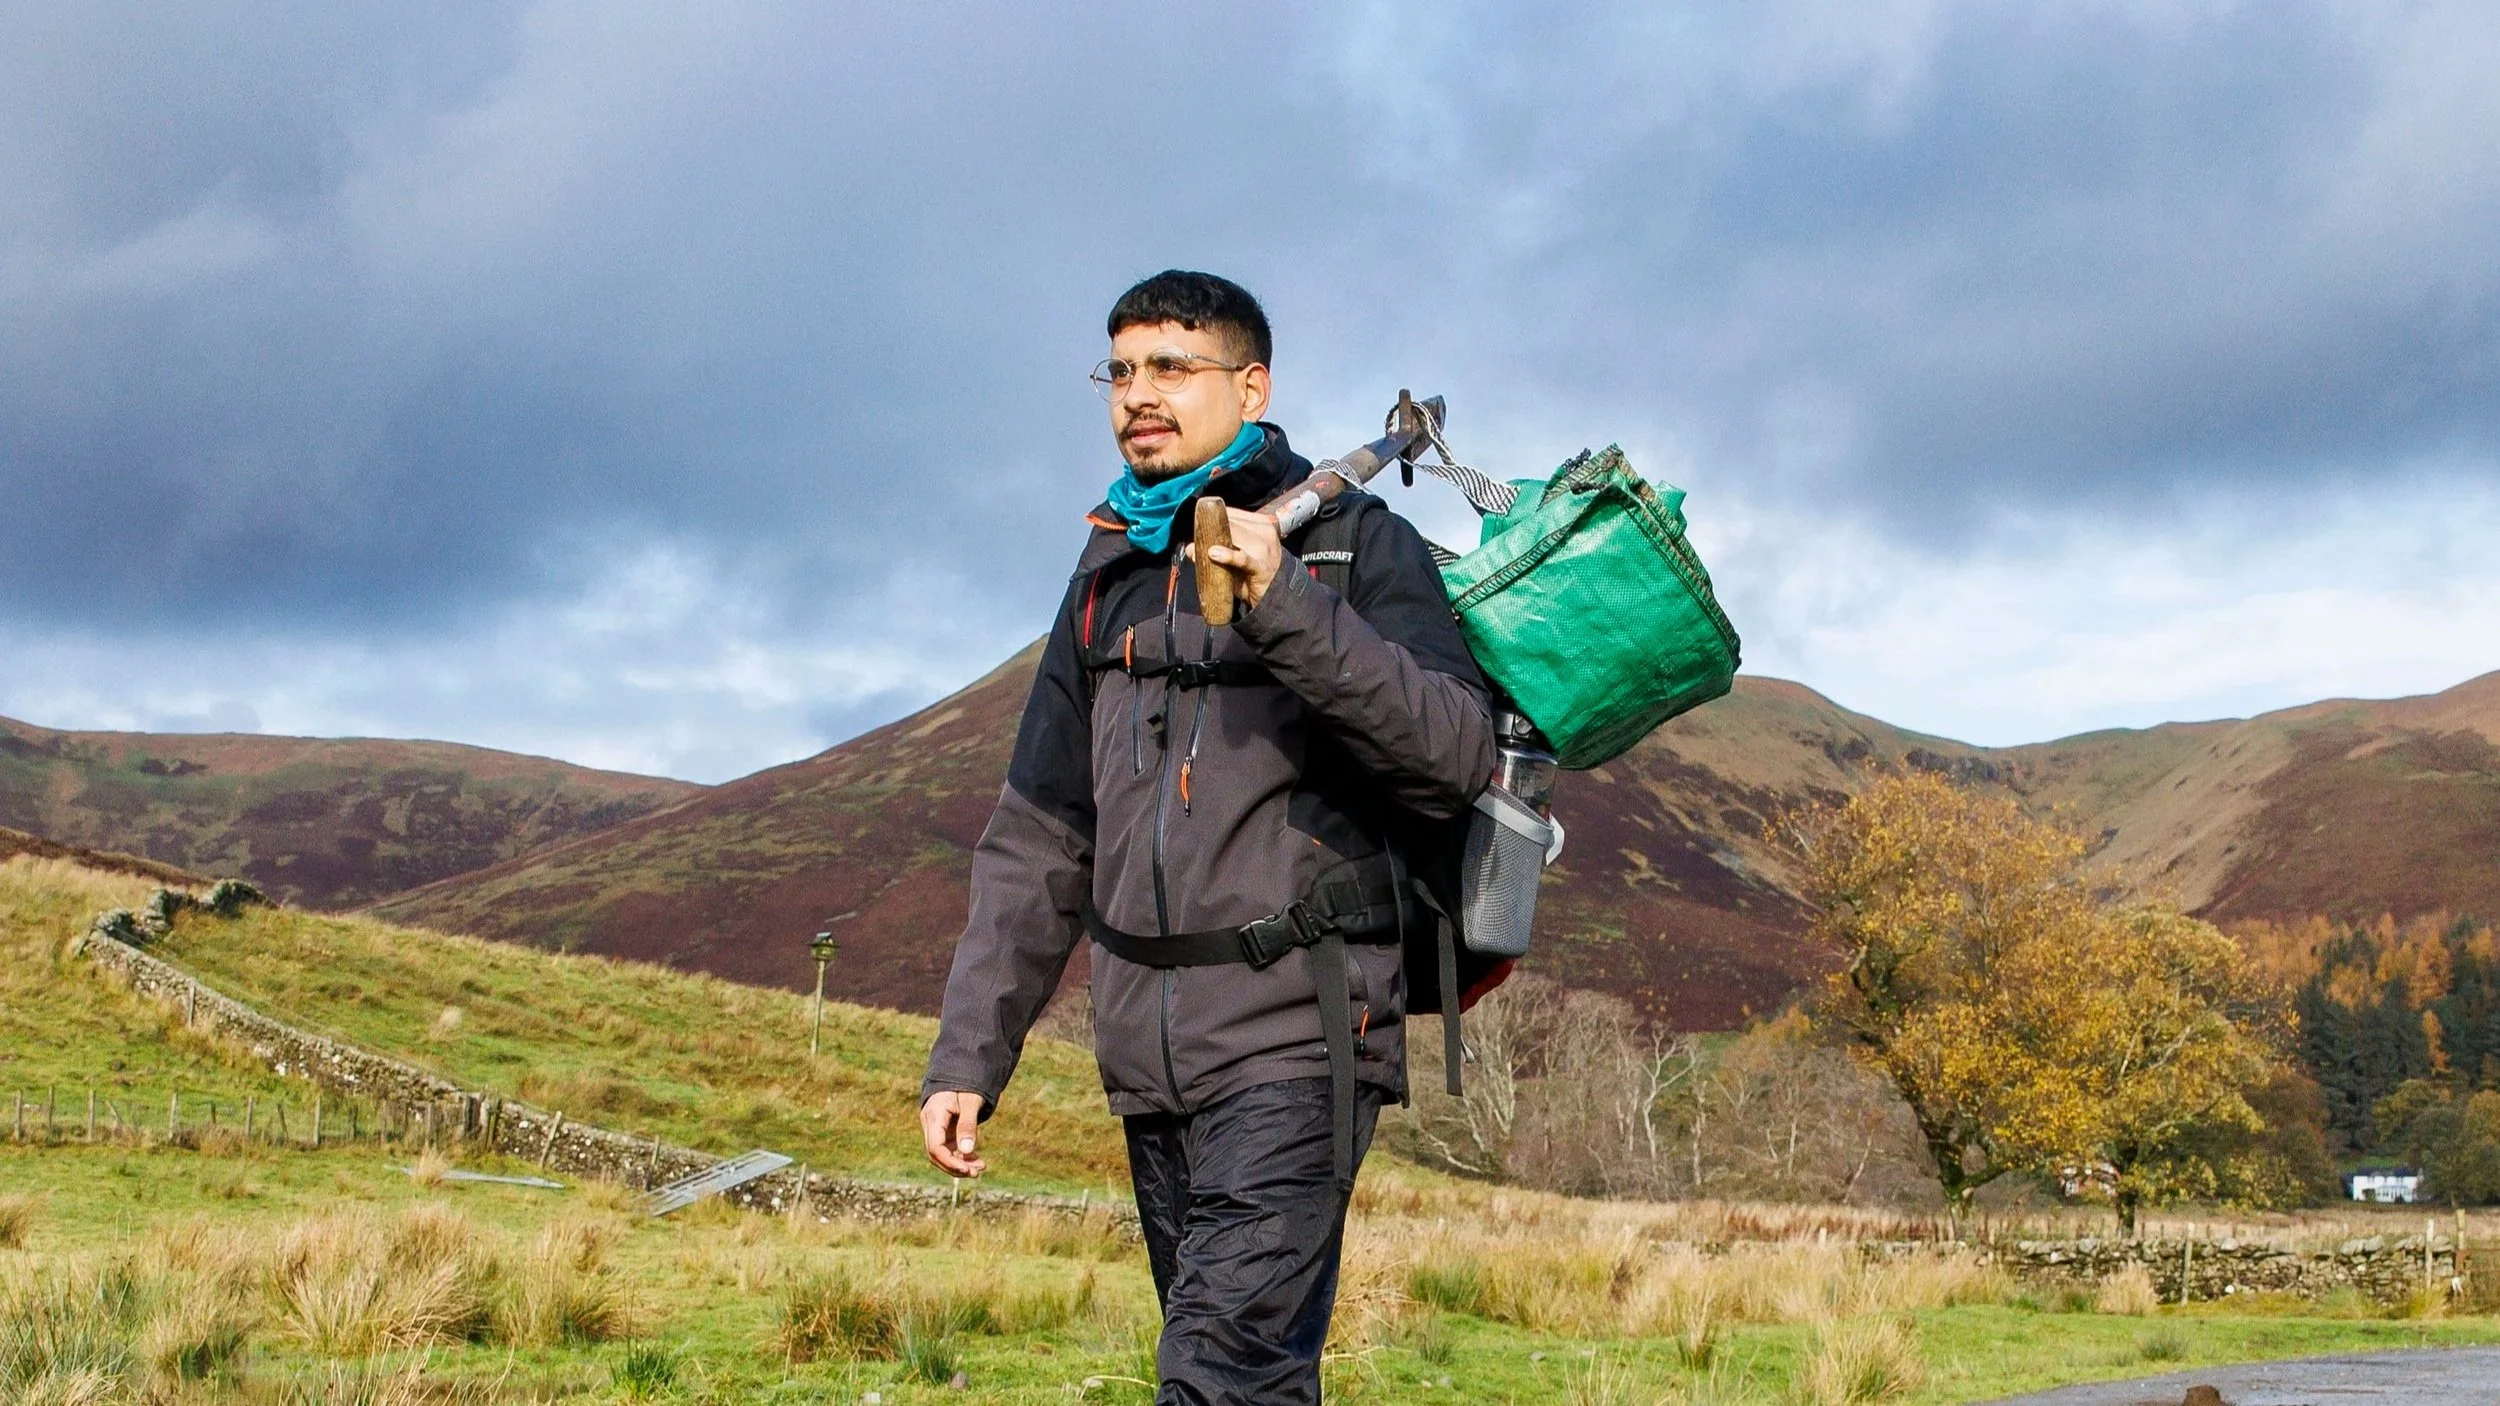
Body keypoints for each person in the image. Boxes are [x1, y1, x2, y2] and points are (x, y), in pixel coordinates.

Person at [919, 270, 1493, 1403]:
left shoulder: (1353, 547)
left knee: (1217, 1368)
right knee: (1247, 1372)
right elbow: (1040, 836)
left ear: (1251, 384)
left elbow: (1451, 750)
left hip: (1301, 1035)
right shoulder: (1107, 576)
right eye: (1122, 371)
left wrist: (1283, 601)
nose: (1140, 393)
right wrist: (968, 1057)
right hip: (1147, 1060)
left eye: (1172, 368)